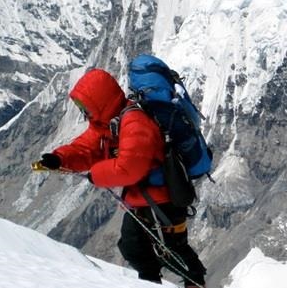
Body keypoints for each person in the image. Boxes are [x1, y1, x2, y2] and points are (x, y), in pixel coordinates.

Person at [38, 68, 206, 287]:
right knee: (134, 246)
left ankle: (195, 281)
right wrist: (59, 158)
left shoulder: (134, 122)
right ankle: (150, 282)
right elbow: (85, 149)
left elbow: (130, 168)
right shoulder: (108, 124)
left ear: (100, 102)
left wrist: (95, 175)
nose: (84, 112)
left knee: (169, 249)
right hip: (144, 200)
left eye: (85, 107)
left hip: (163, 200)